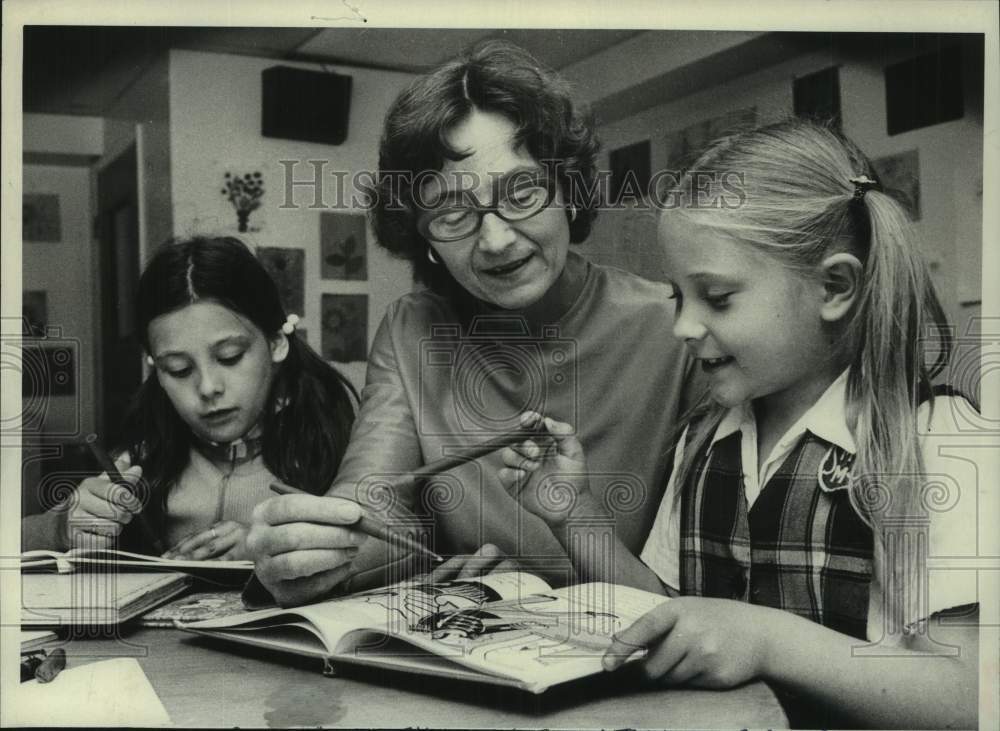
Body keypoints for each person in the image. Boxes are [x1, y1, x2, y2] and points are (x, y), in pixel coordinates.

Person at [499, 120, 980, 728]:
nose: (683, 327)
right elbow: (676, 617)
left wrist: (766, 640)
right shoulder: (704, 440)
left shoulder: (940, 443)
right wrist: (575, 514)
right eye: (678, 297)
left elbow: (971, 694)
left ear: (834, 286)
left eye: (717, 298)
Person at [247, 40, 698, 606]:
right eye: (453, 214)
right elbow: (377, 499)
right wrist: (315, 551)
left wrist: (544, 577)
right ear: (424, 240)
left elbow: (705, 578)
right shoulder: (413, 330)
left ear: (568, 191)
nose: (497, 239)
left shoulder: (677, 329)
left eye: (522, 193)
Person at [22, 236, 358, 559]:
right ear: (156, 368)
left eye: (229, 357)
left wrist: (281, 547)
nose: (208, 387)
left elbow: (382, 545)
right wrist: (60, 528)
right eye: (179, 369)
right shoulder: (141, 455)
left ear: (276, 343)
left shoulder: (337, 444)